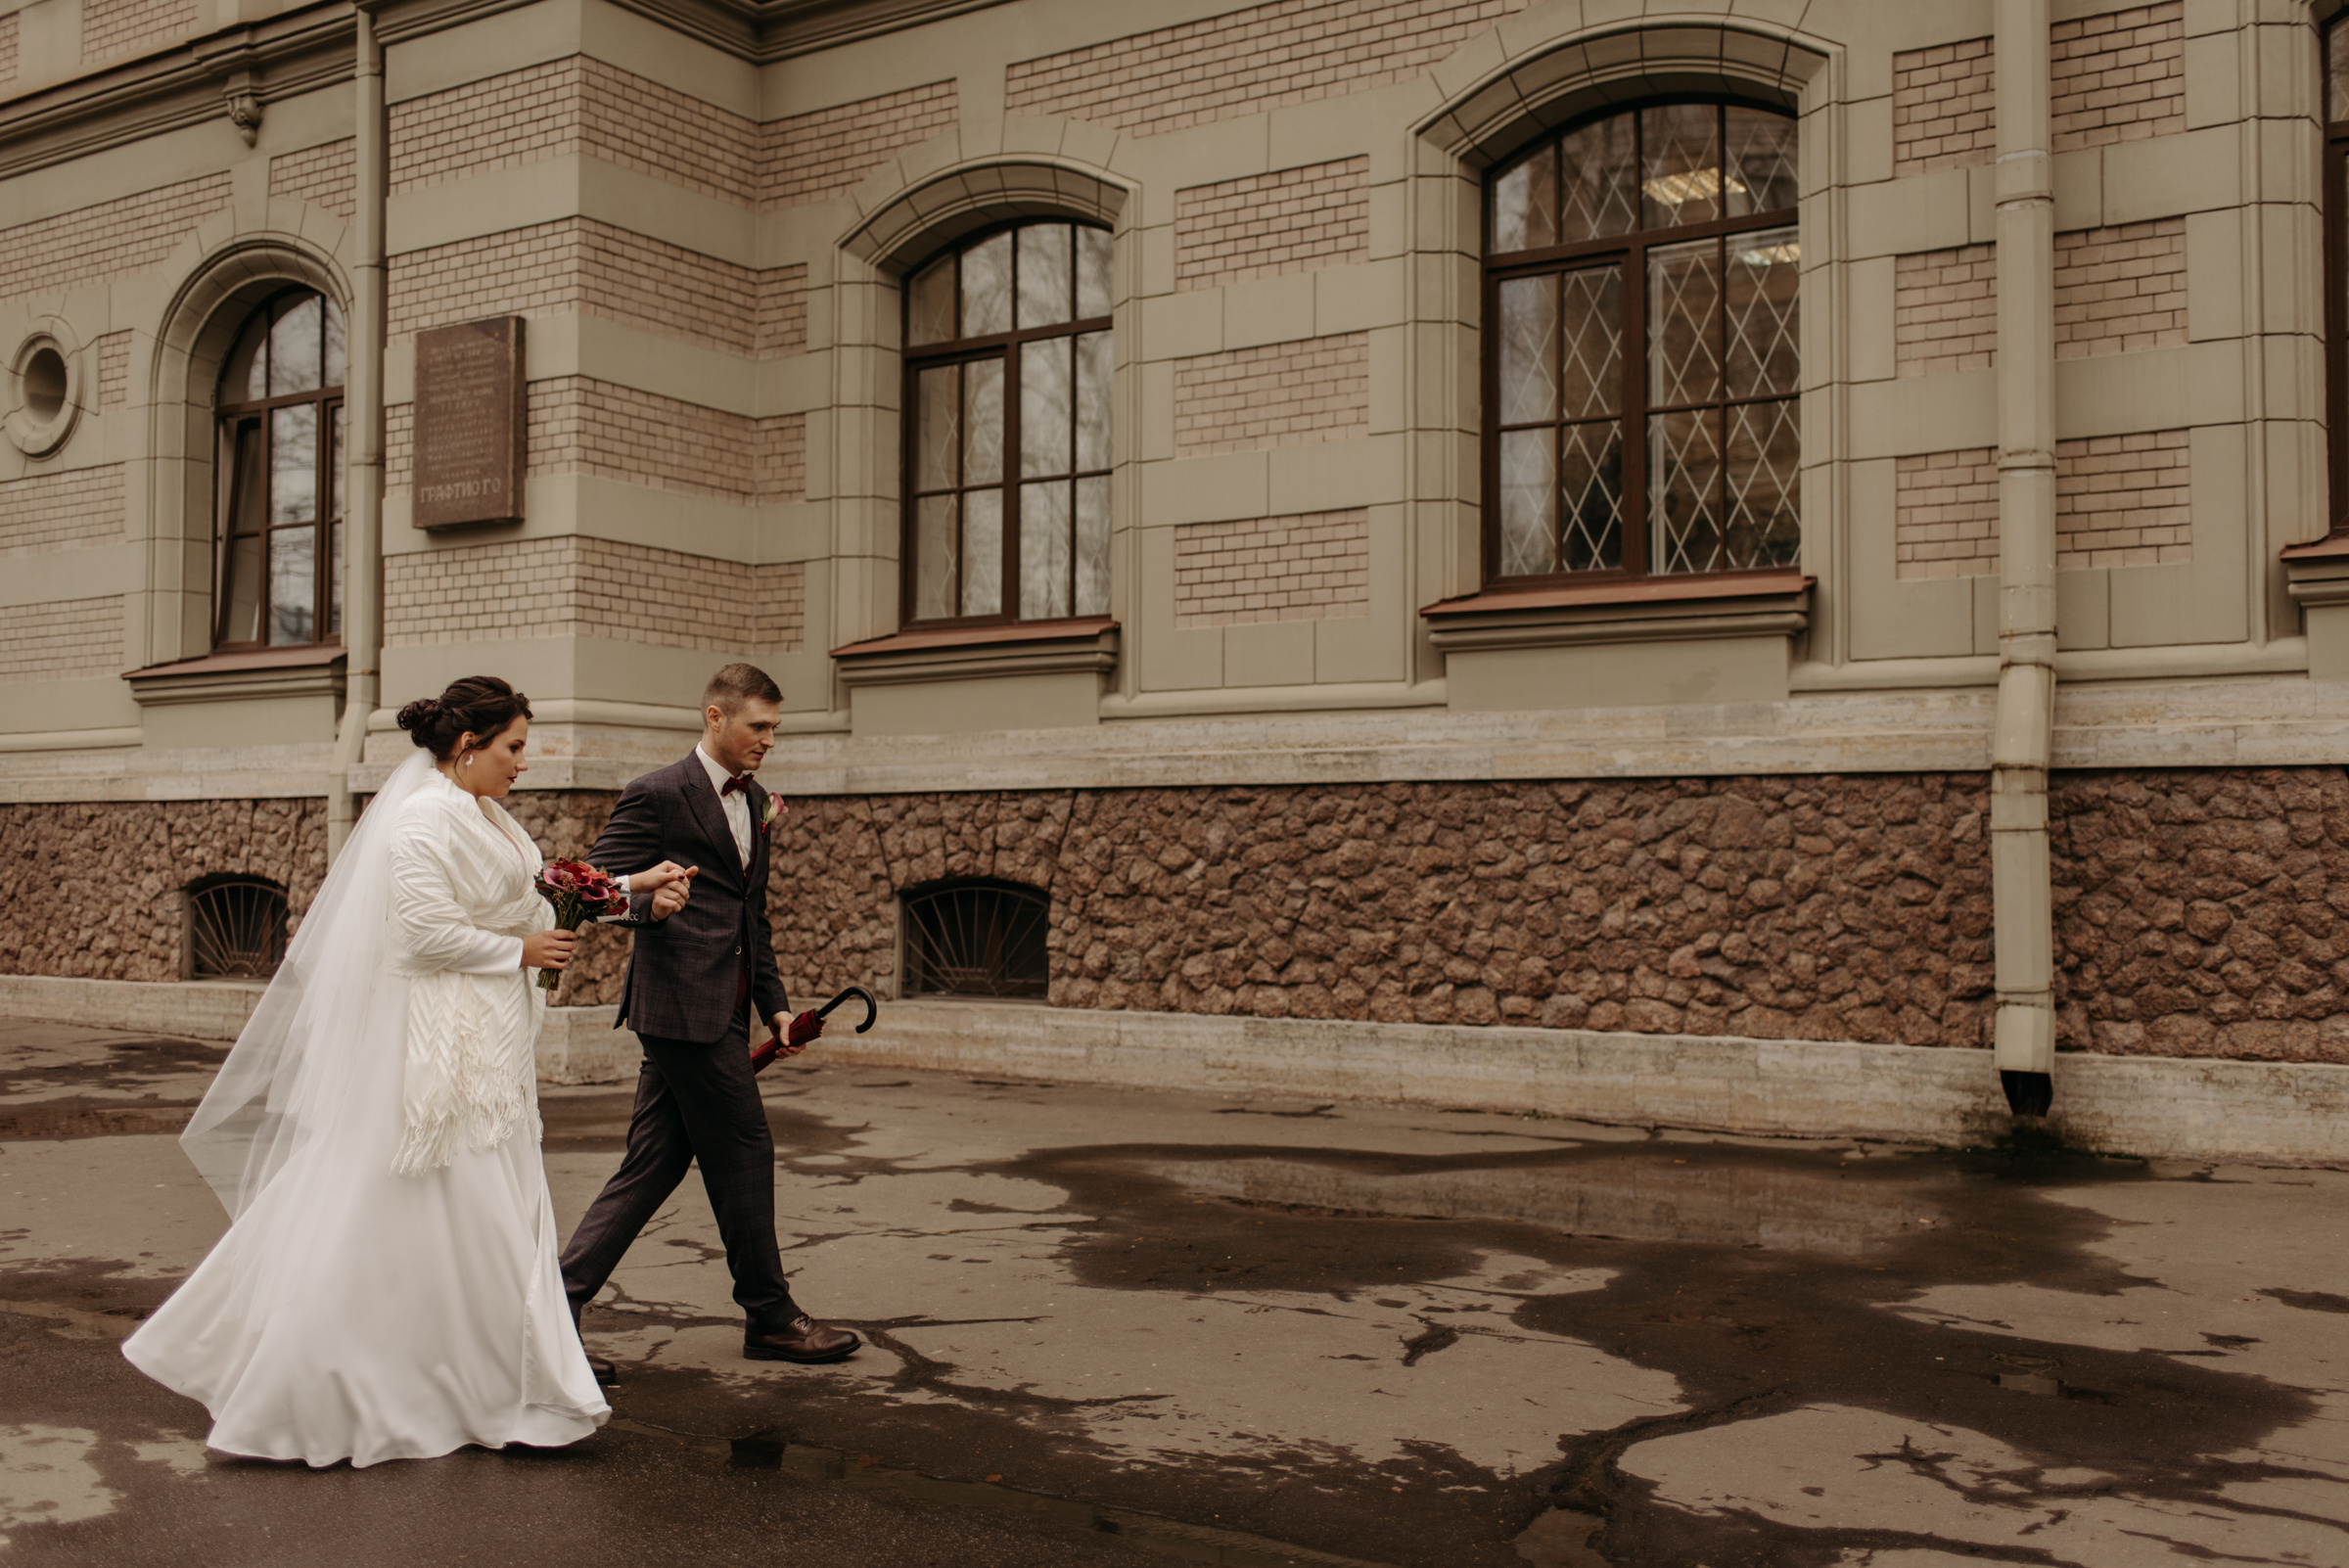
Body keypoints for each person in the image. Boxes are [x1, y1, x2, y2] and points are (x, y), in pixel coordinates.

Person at [121, 675, 687, 1467]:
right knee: (445, 1210)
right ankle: (391, 1386)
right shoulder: (421, 820)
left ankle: (484, 1379)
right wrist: (516, 954)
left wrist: (629, 891)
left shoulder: (482, 810)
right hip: (440, 1048)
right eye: (514, 748)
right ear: (467, 748)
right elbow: (419, 934)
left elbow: (530, 899)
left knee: (482, 1211)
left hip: (488, 1042)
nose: (524, 763)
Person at [559, 663, 860, 1375]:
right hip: (678, 1012)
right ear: (716, 719)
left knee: (654, 1164)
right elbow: (589, 890)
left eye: (775, 729)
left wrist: (776, 1008)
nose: (769, 741)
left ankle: (552, 1305)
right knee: (746, 1150)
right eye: (759, 726)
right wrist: (645, 904)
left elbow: (749, 917)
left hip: (724, 1012)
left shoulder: (756, 803)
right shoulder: (658, 794)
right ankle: (771, 1316)